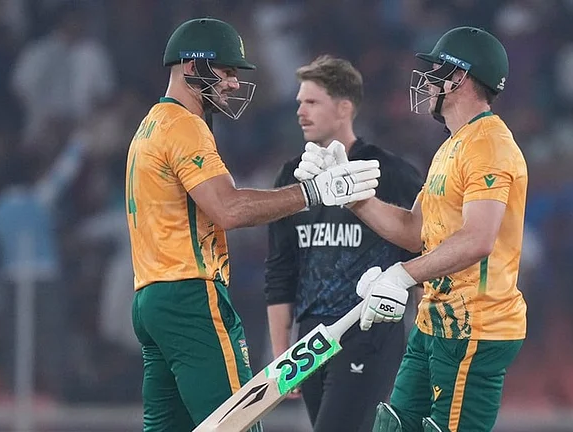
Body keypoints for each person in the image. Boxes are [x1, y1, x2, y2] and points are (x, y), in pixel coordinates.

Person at [125, 18, 380, 432]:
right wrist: (313, 193)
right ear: (193, 67)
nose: (231, 83)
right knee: (238, 423)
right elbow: (229, 209)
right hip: (192, 295)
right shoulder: (185, 126)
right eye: (225, 71)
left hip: (151, 298)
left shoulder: (151, 124)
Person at [298, 27, 528, 432]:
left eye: (438, 70)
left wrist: (401, 275)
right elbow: (414, 229)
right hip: (434, 321)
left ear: (460, 78)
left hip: (476, 329)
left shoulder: (489, 145)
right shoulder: (452, 145)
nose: (428, 79)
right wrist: (350, 196)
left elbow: (478, 239)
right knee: (393, 426)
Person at [264, 55, 423, 432]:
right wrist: (283, 354)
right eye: (299, 102)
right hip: (312, 338)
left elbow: (420, 258)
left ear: (344, 107)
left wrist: (420, 346)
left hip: (368, 330)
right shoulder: (291, 178)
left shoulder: (391, 174)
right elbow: (281, 270)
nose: (300, 111)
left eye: (312, 102)